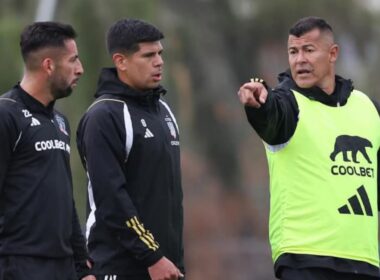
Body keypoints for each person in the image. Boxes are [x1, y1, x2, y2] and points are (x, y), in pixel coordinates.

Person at [238, 16, 380, 280]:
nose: (299, 60)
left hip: (364, 259)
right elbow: (271, 119)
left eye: (308, 50)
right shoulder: (286, 102)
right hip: (304, 258)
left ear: (332, 53)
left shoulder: (369, 108)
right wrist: (258, 106)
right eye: (293, 52)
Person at [76, 19, 185, 280]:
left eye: (160, 53)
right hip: (121, 267)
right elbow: (112, 200)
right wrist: (152, 255)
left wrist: (168, 259)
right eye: (148, 55)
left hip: (166, 266)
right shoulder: (104, 116)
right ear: (121, 61)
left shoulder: (164, 111)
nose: (158, 61)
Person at [0, 22, 95, 280]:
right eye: (73, 60)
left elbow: (64, 198)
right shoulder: (7, 114)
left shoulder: (59, 121)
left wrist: (81, 267)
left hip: (62, 267)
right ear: (49, 65)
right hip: (18, 266)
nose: (80, 69)